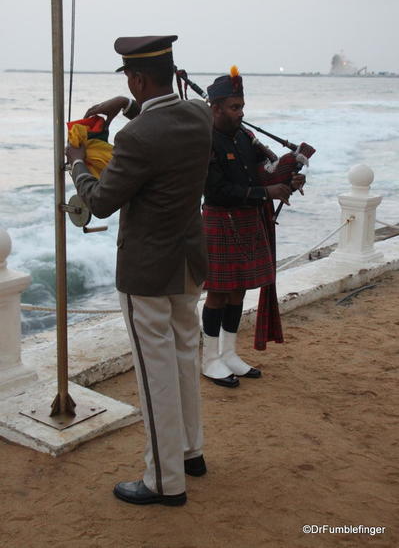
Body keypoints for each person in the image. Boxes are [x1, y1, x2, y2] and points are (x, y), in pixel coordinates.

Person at [66, 35, 213, 506]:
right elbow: (160, 126)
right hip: (189, 261)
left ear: (136, 76)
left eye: (130, 80)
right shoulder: (200, 115)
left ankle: (165, 481)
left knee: (155, 375)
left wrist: (76, 163)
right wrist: (128, 103)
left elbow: (102, 202)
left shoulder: (137, 137)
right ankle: (191, 452)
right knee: (186, 356)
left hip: (148, 270)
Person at [201, 69, 305, 388]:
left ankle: (229, 354)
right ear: (216, 107)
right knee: (218, 294)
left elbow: (260, 172)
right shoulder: (205, 140)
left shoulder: (244, 138)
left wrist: (286, 179)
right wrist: (265, 193)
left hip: (246, 221)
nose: (241, 112)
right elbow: (215, 191)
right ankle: (209, 359)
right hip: (220, 220)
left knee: (239, 290)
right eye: (234, 107)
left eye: (242, 106)